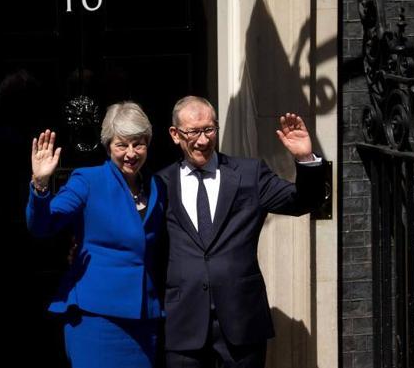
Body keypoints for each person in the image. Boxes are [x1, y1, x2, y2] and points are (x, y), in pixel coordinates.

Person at [157, 96, 326, 368]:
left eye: (209, 130)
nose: (203, 140)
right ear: (175, 135)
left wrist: (305, 158)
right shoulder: (160, 184)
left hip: (241, 321)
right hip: (183, 322)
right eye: (193, 132)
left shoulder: (249, 174)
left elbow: (303, 202)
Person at [26, 102, 166, 368]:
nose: (131, 153)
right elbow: (43, 225)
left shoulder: (157, 186)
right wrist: (40, 184)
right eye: (121, 145)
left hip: (143, 318)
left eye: (138, 144)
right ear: (107, 145)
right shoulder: (88, 181)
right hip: (96, 317)